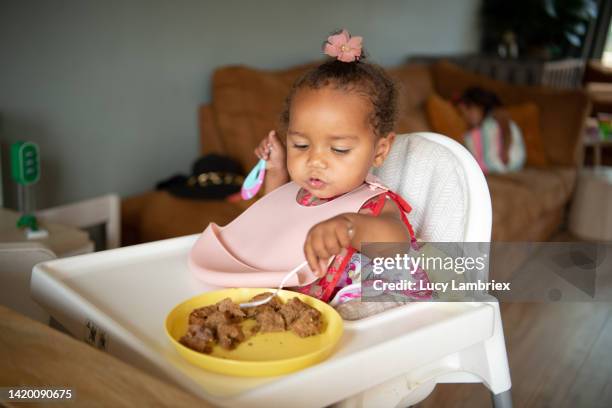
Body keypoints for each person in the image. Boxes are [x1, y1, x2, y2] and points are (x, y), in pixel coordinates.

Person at [250, 29, 429, 305]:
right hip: (300, 311)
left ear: (379, 151)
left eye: (339, 149)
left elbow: (397, 245)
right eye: (300, 145)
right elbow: (270, 219)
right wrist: (275, 172)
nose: (315, 161)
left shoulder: (373, 203)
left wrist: (352, 229)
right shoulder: (300, 192)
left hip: (365, 317)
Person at [456, 87, 526, 174]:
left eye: (469, 110)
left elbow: (506, 129)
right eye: (463, 114)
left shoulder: (496, 113)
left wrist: (505, 150)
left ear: (481, 107)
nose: (466, 117)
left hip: (509, 154)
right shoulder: (480, 127)